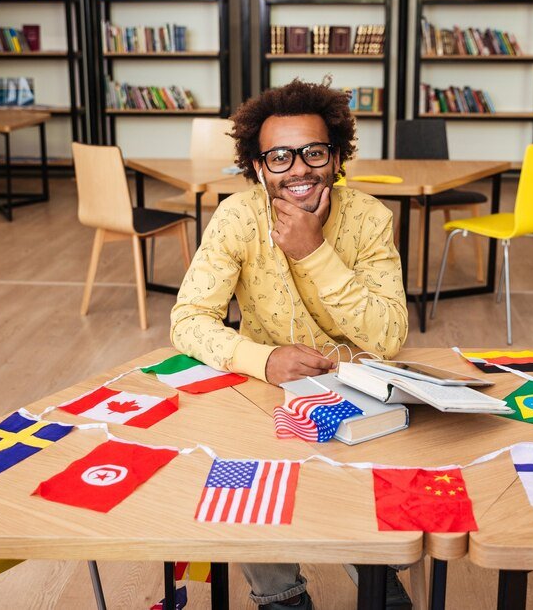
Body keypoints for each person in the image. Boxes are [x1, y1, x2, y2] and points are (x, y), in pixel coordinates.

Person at [170, 79, 411, 609]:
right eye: (279, 157)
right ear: (259, 167)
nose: (298, 169)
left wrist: (314, 251)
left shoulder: (370, 219)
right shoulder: (237, 217)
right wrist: (264, 359)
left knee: (363, 497)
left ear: (337, 158)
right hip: (262, 388)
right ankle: (281, 597)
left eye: (313, 153)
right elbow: (188, 320)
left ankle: (375, 574)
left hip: (356, 387)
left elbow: (389, 335)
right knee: (244, 478)